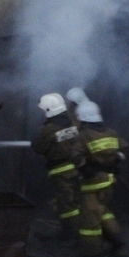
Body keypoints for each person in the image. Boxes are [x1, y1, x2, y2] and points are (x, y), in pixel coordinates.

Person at [75, 101, 127, 257]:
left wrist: (85, 169)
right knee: (104, 211)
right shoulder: (111, 132)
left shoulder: (84, 136)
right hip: (109, 181)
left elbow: (75, 156)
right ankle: (117, 238)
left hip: (93, 183)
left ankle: (91, 253)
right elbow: (124, 149)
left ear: (82, 119)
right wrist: (114, 160)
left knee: (90, 221)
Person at [32, 93, 85, 237]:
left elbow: (38, 147)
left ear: (49, 111)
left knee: (67, 206)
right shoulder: (73, 124)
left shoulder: (49, 130)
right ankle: (81, 231)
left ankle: (71, 234)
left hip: (61, 172)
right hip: (77, 169)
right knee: (76, 201)